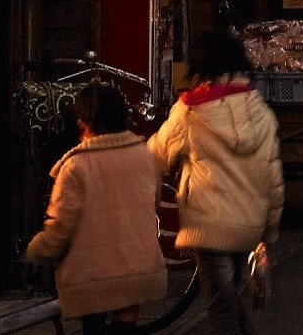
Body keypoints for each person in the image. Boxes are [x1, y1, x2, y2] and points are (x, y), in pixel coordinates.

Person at [152, 28, 285, 335]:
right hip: (249, 224)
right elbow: (273, 178)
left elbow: (157, 153)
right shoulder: (259, 112)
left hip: (209, 225)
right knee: (231, 298)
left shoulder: (189, 111)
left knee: (221, 305)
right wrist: (269, 229)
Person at [24, 84, 168, 334]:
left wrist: (36, 250)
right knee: (125, 320)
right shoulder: (145, 157)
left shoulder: (75, 167)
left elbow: (61, 228)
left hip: (93, 278)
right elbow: (151, 205)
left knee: (94, 316)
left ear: (83, 124)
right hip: (140, 269)